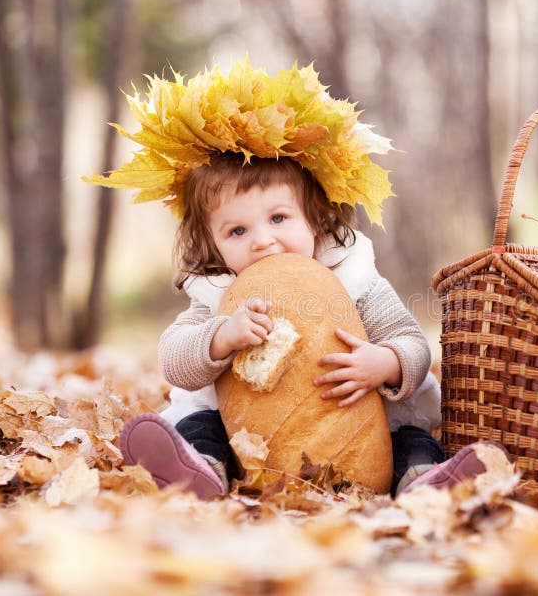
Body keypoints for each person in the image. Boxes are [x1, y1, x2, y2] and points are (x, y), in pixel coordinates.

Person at [85, 60, 511, 498]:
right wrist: (220, 337)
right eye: (237, 231)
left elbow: (411, 340)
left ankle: (423, 480)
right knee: (201, 424)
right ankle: (201, 471)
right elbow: (173, 358)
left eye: (278, 218)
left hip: (364, 419)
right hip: (246, 434)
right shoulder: (216, 294)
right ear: (212, 244)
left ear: (315, 220)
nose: (262, 241)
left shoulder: (353, 277)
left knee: (410, 438)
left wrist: (386, 364)